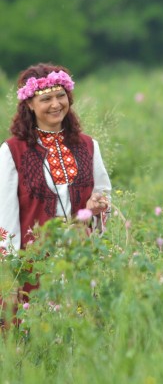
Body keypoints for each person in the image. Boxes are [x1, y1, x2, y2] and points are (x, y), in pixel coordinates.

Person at [0, 63, 111, 325]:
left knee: (79, 332)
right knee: (37, 337)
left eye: (60, 96)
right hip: (34, 265)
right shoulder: (13, 151)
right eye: (46, 98)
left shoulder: (87, 145)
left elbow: (103, 192)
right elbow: (5, 218)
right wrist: (11, 274)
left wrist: (98, 205)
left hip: (79, 258)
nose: (55, 104)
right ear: (29, 104)